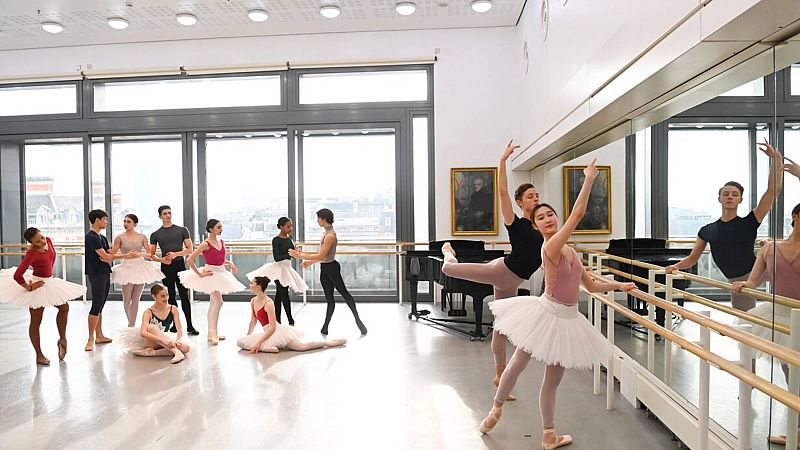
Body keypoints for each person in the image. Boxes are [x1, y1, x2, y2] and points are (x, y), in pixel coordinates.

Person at [478, 160, 637, 449]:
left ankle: (549, 435)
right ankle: (495, 409)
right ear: (537, 227)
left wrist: (619, 285)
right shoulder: (549, 247)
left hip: (569, 319)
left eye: (551, 214)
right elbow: (577, 215)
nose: (548, 219)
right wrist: (588, 179)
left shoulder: (571, 251)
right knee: (516, 365)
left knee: (552, 382)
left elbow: (589, 286)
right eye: (542, 218)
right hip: (545, 314)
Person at [441, 139, 543, 401]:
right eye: (530, 196)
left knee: (501, 327)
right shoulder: (516, 223)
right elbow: (501, 191)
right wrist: (502, 159)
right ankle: (447, 254)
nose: (536, 198)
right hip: (502, 271)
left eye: (537, 195)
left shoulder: (541, 226)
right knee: (451, 270)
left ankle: (499, 375)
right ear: (520, 202)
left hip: (513, 280)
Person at [666, 141, 783, 312]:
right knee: (745, 318)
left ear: (740, 200)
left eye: (735, 194)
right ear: (719, 198)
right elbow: (693, 258)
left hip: (761, 270)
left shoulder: (749, 221)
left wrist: (776, 158)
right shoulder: (707, 230)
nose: (730, 197)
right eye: (726, 194)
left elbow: (773, 190)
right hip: (738, 279)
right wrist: (676, 266)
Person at [732, 202, 800, 447]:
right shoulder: (769, 249)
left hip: (799, 315)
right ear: (795, 216)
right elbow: (754, 280)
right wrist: (745, 285)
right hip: (777, 315)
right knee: (789, 371)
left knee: (796, 372)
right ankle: (797, 430)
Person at [0, 228, 85, 365]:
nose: (42, 241)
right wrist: (29, 287)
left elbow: (52, 258)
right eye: (37, 241)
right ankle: (39, 355)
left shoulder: (49, 241)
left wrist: (50, 276)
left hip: (49, 281)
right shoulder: (31, 253)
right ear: (32, 243)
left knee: (64, 307)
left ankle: (62, 339)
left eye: (42, 237)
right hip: (37, 284)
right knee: (36, 320)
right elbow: (17, 275)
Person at [288, 208, 367, 335]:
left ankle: (358, 321)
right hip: (325, 268)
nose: (317, 221)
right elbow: (322, 256)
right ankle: (325, 327)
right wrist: (310, 262)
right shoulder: (326, 233)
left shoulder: (330, 235)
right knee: (329, 299)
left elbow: (321, 255)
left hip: (332, 268)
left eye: (318, 218)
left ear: (324, 219)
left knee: (344, 294)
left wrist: (300, 255)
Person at [237, 276, 346, 353]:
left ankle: (329, 343)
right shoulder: (253, 301)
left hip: (276, 332)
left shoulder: (269, 303)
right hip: (267, 333)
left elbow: (273, 327)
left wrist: (259, 342)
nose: (249, 285)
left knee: (301, 347)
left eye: (252, 283)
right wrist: (248, 337)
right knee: (241, 342)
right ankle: (269, 348)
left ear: (259, 286)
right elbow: (253, 321)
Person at [179, 219, 244, 344]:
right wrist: (199, 274)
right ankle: (213, 332)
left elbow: (219, 258)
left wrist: (229, 263)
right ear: (211, 229)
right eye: (219, 227)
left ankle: (212, 333)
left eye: (221, 227)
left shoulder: (221, 242)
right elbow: (190, 259)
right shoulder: (206, 244)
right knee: (218, 302)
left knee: (214, 303)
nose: (221, 229)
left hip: (221, 272)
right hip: (211, 273)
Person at [247, 217, 308, 325]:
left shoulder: (290, 237)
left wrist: (295, 252)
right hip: (278, 269)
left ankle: (276, 320)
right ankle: (290, 320)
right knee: (284, 294)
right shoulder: (276, 240)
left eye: (291, 226)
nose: (290, 228)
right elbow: (277, 257)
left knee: (280, 295)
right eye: (288, 226)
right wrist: (290, 253)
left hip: (287, 268)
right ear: (281, 227)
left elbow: (291, 253)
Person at [149, 205, 199, 335]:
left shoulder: (182, 230)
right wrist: (162, 260)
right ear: (160, 216)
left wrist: (176, 254)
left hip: (179, 266)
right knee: (169, 296)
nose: (168, 215)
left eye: (169, 213)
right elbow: (151, 255)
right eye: (165, 213)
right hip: (166, 267)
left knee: (184, 295)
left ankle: (190, 325)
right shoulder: (155, 234)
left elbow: (190, 249)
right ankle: (175, 325)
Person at [85, 209, 130, 351]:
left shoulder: (102, 238)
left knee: (101, 305)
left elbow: (109, 253)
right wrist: (122, 256)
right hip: (96, 273)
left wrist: (124, 251)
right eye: (104, 219)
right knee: (96, 304)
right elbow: (106, 257)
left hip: (104, 272)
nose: (106, 222)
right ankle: (90, 339)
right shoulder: (91, 237)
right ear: (97, 220)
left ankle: (99, 335)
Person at [110, 213, 165, 327]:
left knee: (136, 299)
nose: (125, 224)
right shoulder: (119, 237)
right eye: (124, 221)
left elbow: (149, 253)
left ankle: (132, 325)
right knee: (126, 299)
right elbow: (113, 254)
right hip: (126, 267)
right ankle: (131, 324)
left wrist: (139, 254)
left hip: (140, 267)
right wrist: (126, 255)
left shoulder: (142, 236)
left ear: (135, 224)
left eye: (128, 222)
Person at [118, 283, 190, 364]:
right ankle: (176, 352)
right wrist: (164, 341)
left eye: (167, 295)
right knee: (151, 327)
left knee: (186, 348)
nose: (166, 298)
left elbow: (179, 329)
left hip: (164, 339)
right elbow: (143, 332)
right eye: (162, 296)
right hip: (151, 341)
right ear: (154, 296)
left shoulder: (173, 309)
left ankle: (151, 353)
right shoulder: (148, 312)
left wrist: (178, 340)